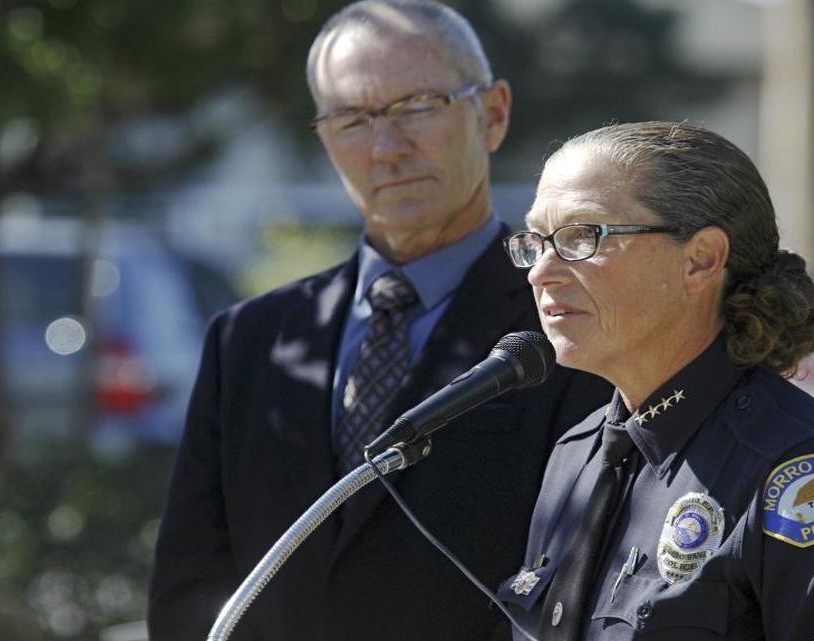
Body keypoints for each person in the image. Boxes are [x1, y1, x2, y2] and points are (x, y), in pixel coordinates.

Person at [147, 3, 610, 641]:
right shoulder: (251, 340)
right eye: (350, 120)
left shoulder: (570, 325)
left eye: (418, 106)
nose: (386, 148)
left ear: (493, 113)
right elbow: (190, 586)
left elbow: (592, 583)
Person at [495, 122, 814, 640]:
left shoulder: (806, 477)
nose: (541, 271)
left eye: (583, 236)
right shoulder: (576, 454)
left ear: (701, 260)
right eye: (535, 241)